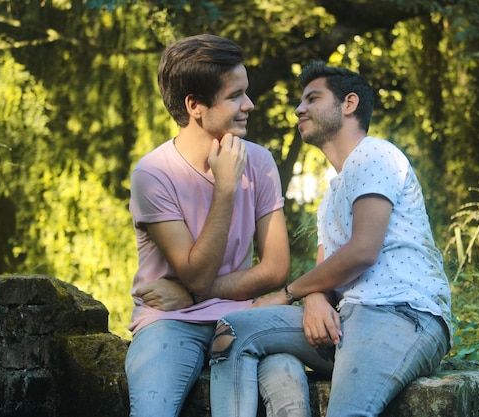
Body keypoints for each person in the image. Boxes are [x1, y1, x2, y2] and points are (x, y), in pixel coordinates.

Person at [209, 61, 453, 417]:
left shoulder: (375, 154)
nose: (299, 109)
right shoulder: (331, 195)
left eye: (312, 98)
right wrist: (316, 299)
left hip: (401, 314)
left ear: (348, 104)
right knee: (232, 332)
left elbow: (362, 251)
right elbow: (328, 270)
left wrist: (288, 294)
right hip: (347, 320)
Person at [124, 34, 310, 417]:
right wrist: (225, 187)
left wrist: (194, 294)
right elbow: (195, 270)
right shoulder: (153, 174)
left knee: (289, 391)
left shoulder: (258, 162)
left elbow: (276, 268)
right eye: (235, 96)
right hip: (170, 323)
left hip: (245, 320)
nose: (249, 105)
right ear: (195, 106)